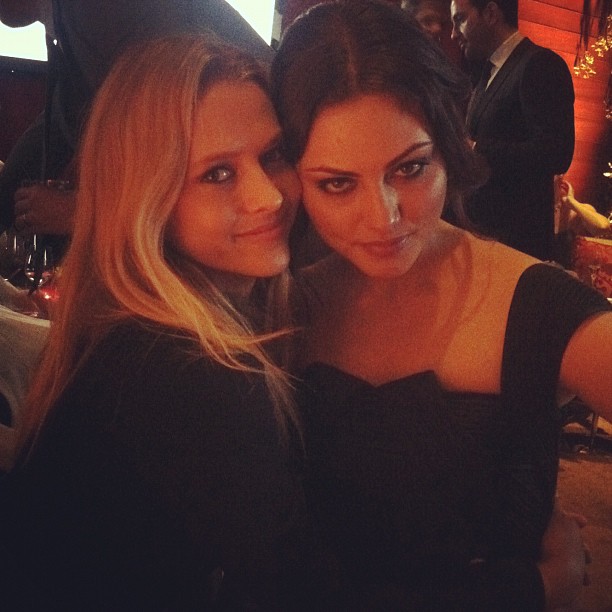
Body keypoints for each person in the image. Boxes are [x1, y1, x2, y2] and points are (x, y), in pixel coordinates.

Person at [271, 1, 612, 609]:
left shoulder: (533, 305)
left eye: (410, 168)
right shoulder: (278, 305)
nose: (385, 218)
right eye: (338, 183)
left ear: (448, 149)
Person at [0, 34, 337, 610]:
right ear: (146, 198)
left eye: (273, 154)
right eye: (217, 174)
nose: (268, 197)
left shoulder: (134, 325)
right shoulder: (193, 373)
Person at [0, 0, 274, 239]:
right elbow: (63, 122)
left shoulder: (95, 10)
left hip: (262, 193)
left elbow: (178, 145)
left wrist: (78, 213)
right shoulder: (73, 15)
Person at [450, 0, 575, 261]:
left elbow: (556, 153)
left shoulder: (541, 64)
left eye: (460, 19)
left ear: (491, 13)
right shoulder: (487, 73)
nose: (453, 34)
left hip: (515, 243)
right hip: (483, 236)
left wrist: (477, 148)